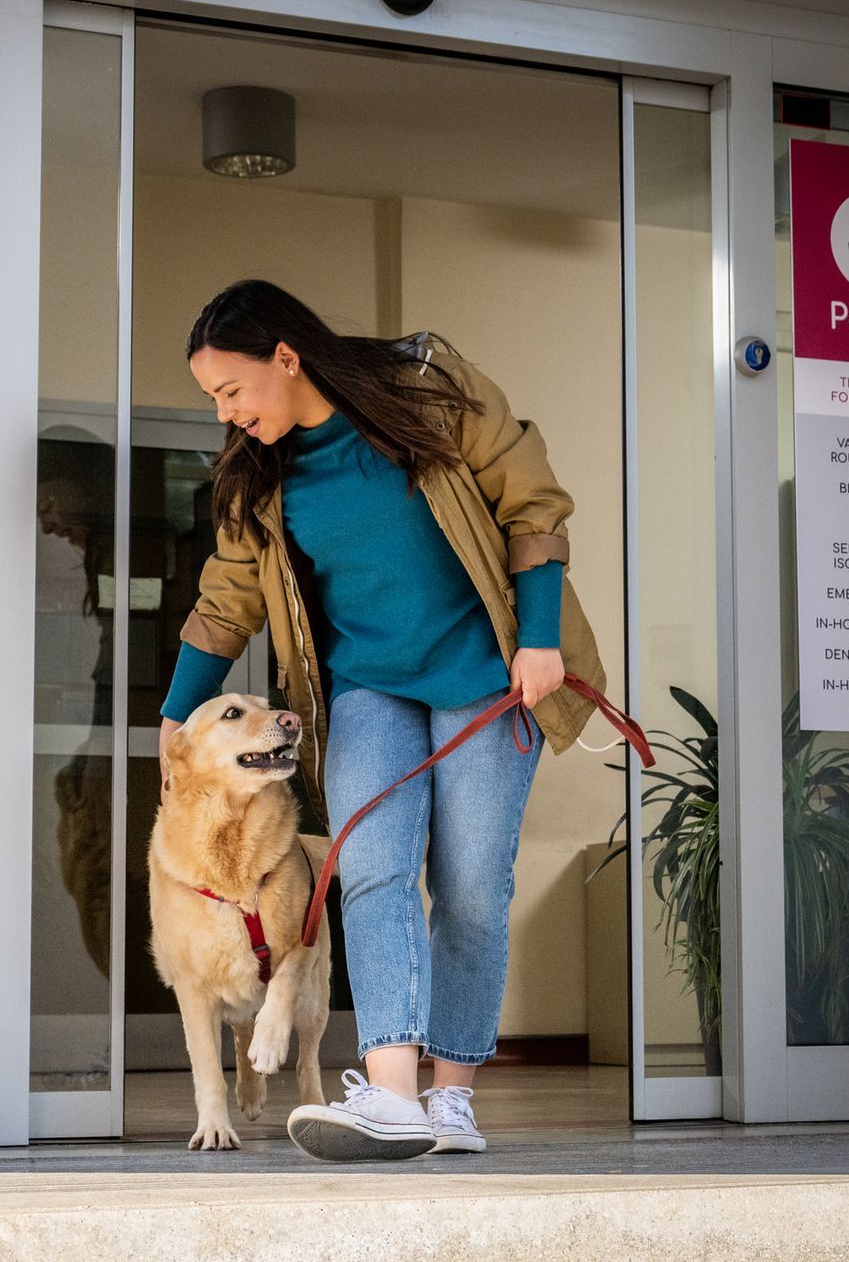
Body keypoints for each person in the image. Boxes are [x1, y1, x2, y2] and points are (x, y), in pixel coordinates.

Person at [157, 279, 606, 1160]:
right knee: (373, 870)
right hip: (367, 686)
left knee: (472, 889)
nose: (226, 412)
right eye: (213, 398)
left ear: (286, 357)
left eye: (232, 390)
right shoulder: (260, 475)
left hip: (488, 673)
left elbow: (532, 502)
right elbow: (225, 600)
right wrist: (176, 720)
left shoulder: (427, 391)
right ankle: (394, 1092)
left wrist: (542, 637)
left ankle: (453, 1098)